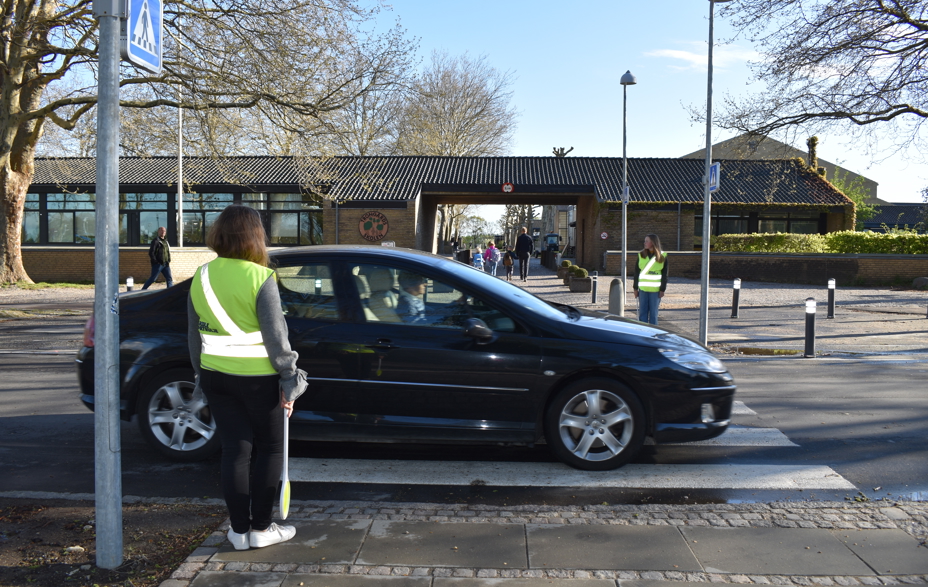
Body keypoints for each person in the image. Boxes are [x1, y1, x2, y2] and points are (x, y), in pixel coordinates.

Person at [187, 205, 307, 551]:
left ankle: (239, 532)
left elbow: (194, 335)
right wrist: (290, 378)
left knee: (235, 452)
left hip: (215, 376)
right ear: (255, 237)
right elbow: (276, 337)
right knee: (269, 449)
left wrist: (200, 375)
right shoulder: (261, 277)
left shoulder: (201, 275)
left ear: (220, 234)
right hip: (258, 380)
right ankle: (262, 528)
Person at [633, 233, 668, 325]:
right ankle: (643, 331)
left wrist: (662, 289)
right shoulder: (641, 255)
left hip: (655, 291)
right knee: (642, 314)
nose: (644, 243)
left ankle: (653, 332)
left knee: (653, 314)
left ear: (653, 242)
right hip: (643, 289)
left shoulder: (662, 256)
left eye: (647, 241)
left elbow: (665, 275)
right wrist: (635, 288)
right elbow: (636, 273)